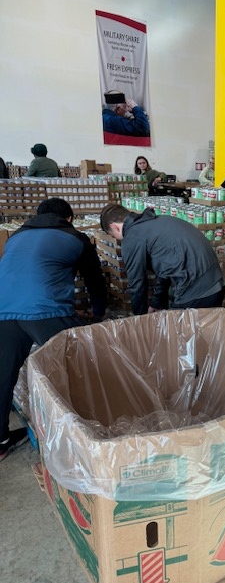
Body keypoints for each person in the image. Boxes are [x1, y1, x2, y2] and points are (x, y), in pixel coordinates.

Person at [0, 198, 108, 462]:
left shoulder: (16, 237)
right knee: (74, 370)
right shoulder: (75, 237)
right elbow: (94, 280)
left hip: (3, 310)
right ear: (68, 218)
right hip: (45, 311)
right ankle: (84, 437)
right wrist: (98, 313)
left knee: (3, 376)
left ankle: (1, 441)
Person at [100, 204, 225, 314]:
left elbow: (137, 283)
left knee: (180, 337)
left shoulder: (132, 237)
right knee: (205, 336)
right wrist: (156, 303)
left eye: (114, 235)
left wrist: (139, 320)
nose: (119, 240)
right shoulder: (158, 221)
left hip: (197, 293)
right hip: (218, 284)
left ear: (115, 227)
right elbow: (165, 268)